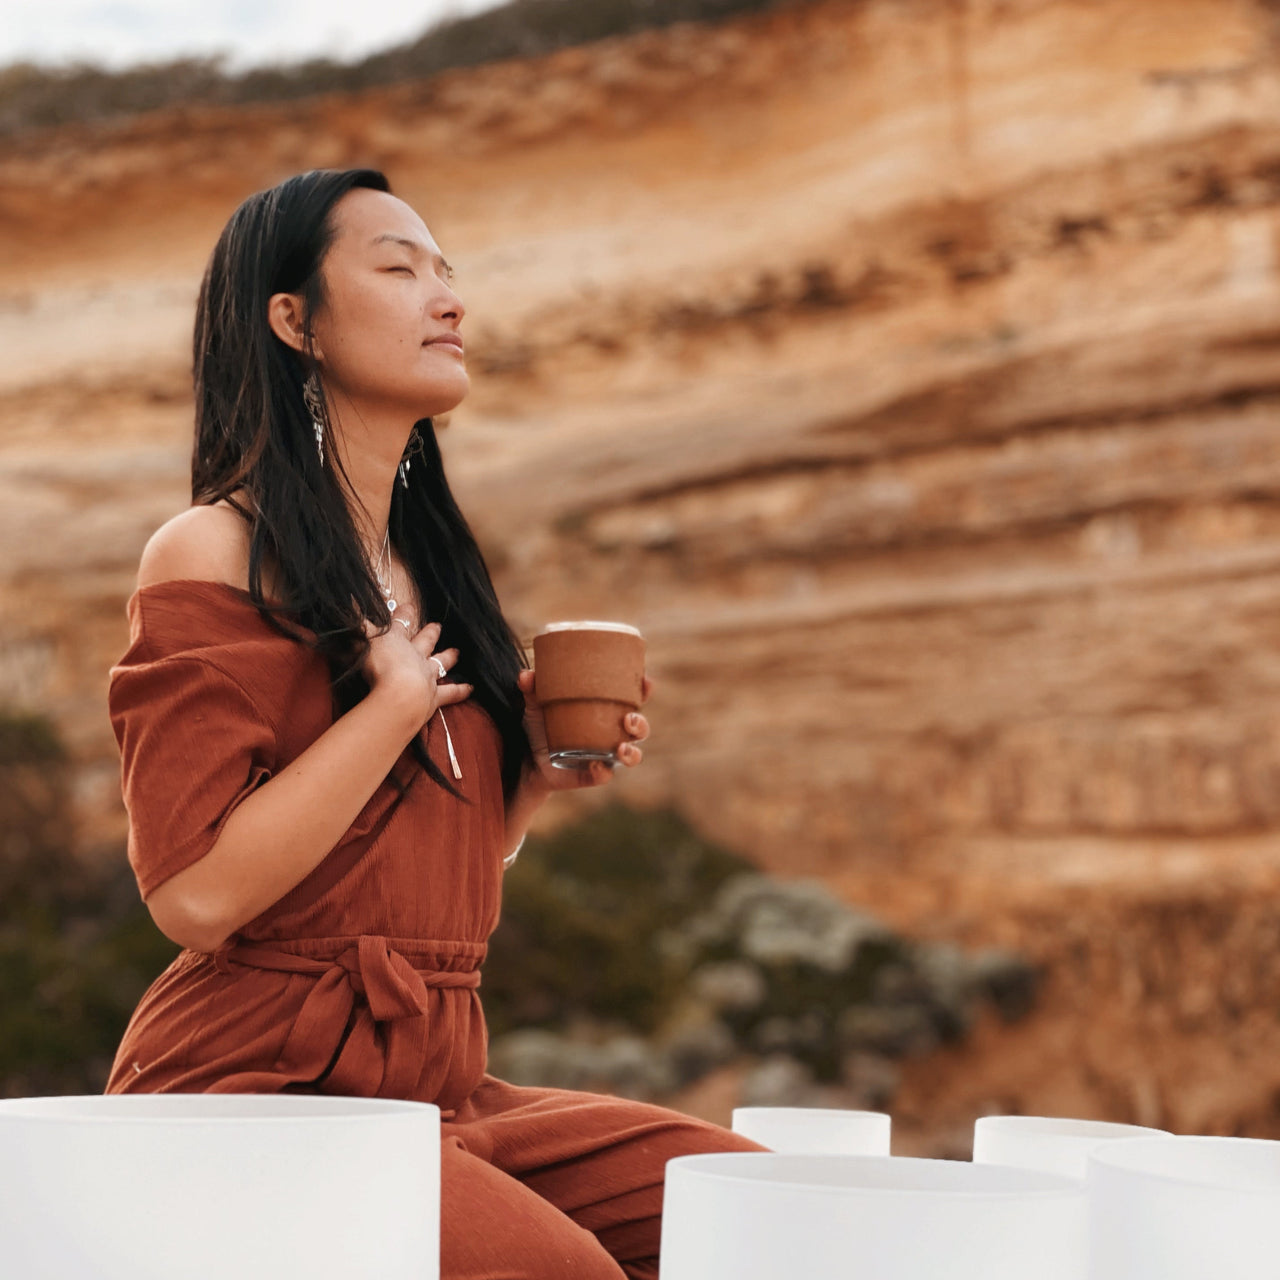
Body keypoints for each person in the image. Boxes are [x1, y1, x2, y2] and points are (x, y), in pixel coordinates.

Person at [104, 167, 763, 1279]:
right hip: (255, 1083)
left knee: (759, 1214)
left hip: (443, 1082)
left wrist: (538, 777)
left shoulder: (429, 565)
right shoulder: (211, 550)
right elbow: (196, 893)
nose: (446, 298)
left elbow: (413, 861)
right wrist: (393, 705)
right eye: (399, 268)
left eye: (447, 272)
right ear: (291, 319)